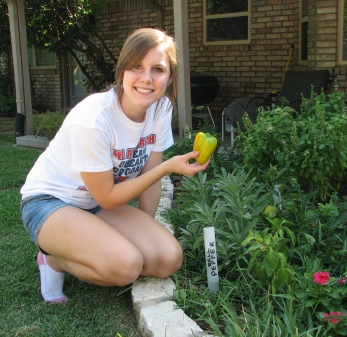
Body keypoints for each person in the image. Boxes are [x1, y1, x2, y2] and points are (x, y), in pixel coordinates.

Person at [20, 27, 210, 303]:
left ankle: (97, 244)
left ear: (169, 77)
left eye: (157, 69)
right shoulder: (94, 119)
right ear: (122, 71)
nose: (146, 79)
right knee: (127, 265)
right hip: (49, 203)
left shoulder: (161, 109)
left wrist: (148, 231)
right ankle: (54, 261)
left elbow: (150, 176)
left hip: (92, 205)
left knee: (167, 259)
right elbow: (109, 198)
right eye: (136, 66)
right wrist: (168, 167)